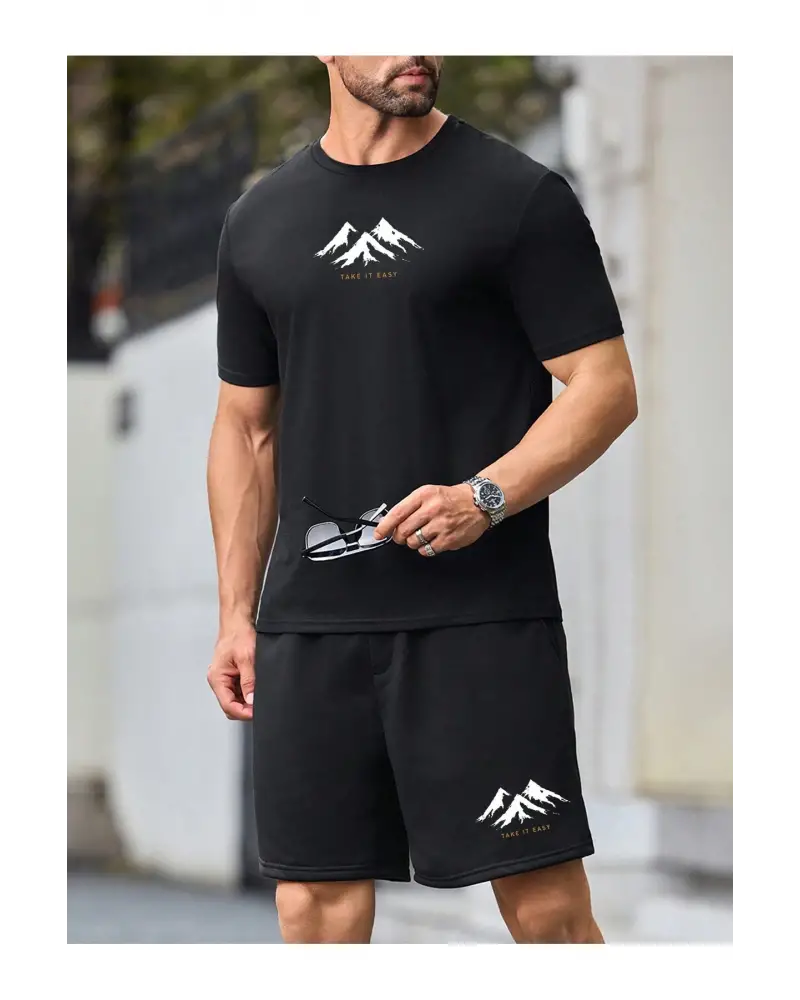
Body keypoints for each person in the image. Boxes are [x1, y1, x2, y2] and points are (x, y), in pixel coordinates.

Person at [207, 56, 637, 944]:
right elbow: (247, 429)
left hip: (481, 621)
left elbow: (605, 387)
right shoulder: (259, 221)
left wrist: (487, 496)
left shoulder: (517, 196)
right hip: (312, 628)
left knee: (546, 909)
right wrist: (236, 615)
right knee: (312, 905)